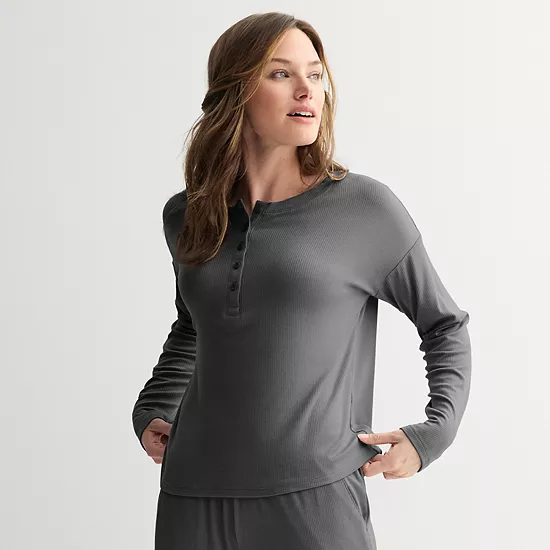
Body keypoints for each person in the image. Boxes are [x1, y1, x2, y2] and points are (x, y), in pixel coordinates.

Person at [132, 12, 472, 550]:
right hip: (191, 494)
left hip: (316, 498)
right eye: (280, 73)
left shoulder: (364, 208)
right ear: (235, 91)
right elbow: (192, 328)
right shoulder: (187, 215)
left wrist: (434, 432)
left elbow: (444, 324)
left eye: (314, 74)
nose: (306, 89)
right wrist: (153, 406)